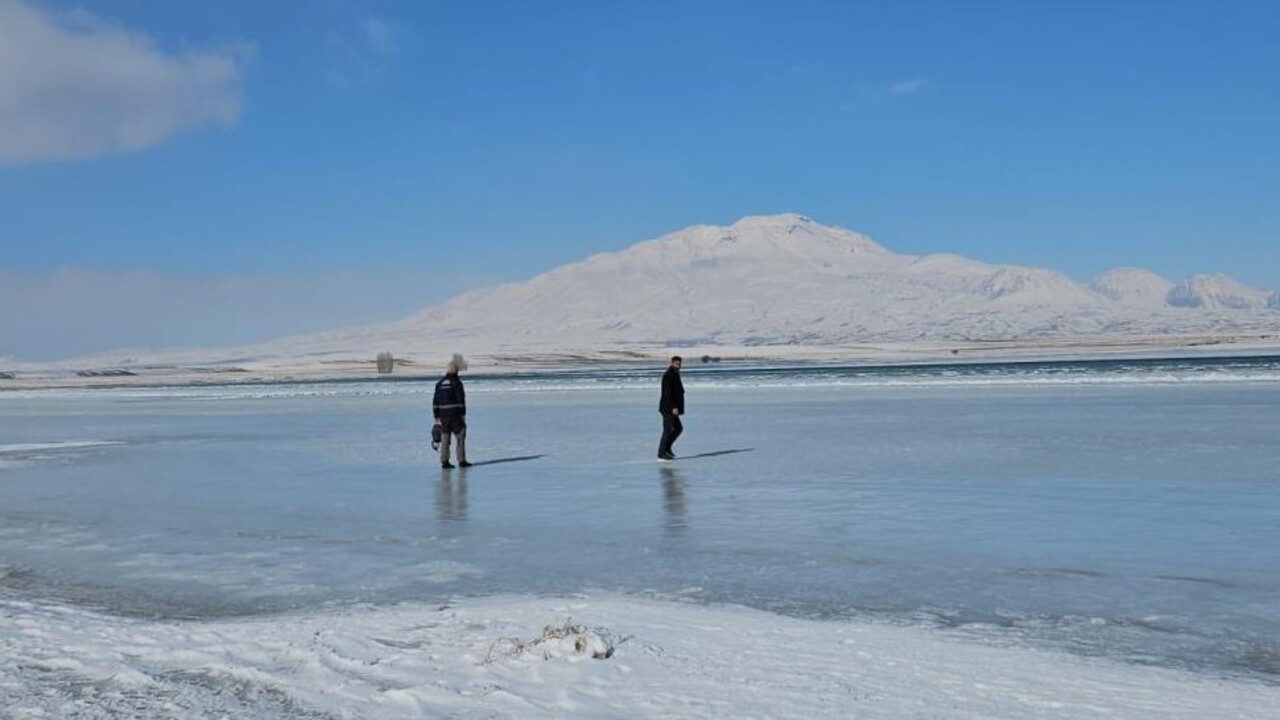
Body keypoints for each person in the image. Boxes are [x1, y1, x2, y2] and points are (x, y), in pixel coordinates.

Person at [433, 355, 471, 469]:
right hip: (455, 416)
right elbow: (461, 400)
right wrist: (463, 415)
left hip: (443, 416)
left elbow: (435, 401)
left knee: (445, 437)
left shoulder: (439, 384)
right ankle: (462, 460)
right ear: (456, 371)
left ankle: (444, 461)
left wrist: (436, 416)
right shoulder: (457, 383)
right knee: (460, 435)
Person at [657, 355, 684, 460]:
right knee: (667, 430)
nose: (679, 366)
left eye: (680, 364)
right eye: (677, 364)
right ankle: (661, 453)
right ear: (672, 363)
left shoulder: (675, 374)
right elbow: (667, 393)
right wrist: (673, 407)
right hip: (668, 408)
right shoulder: (669, 375)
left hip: (671, 408)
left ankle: (667, 448)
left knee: (678, 428)